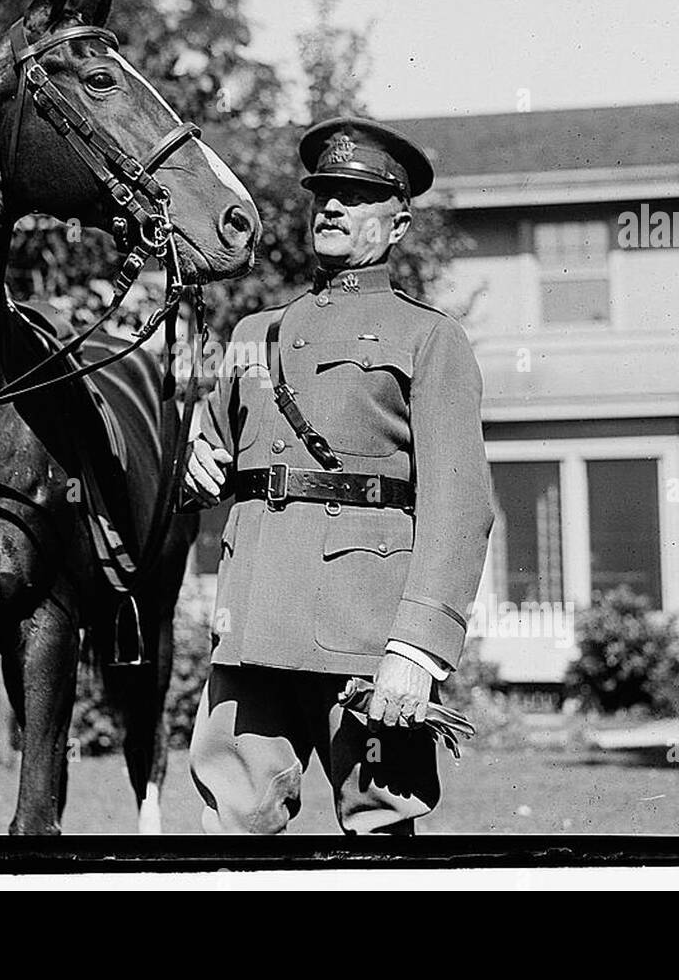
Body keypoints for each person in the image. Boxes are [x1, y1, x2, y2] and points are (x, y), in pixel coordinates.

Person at [182, 117, 494, 835]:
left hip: (365, 640)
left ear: (397, 223)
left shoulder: (429, 338)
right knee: (233, 832)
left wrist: (416, 650)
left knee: (380, 829)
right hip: (253, 629)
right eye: (325, 191)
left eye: (355, 195)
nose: (331, 205)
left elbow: (461, 507)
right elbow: (211, 458)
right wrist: (194, 465)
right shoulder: (251, 335)